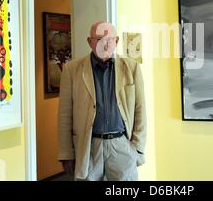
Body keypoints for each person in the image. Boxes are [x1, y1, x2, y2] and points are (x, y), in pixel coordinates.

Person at [57, 21, 146, 181]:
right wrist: (66, 153)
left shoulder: (131, 68)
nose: (104, 44)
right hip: (88, 147)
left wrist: (137, 147)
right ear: (90, 42)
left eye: (109, 39)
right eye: (98, 39)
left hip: (122, 146)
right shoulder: (71, 70)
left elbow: (140, 110)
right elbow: (65, 115)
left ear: (116, 41)